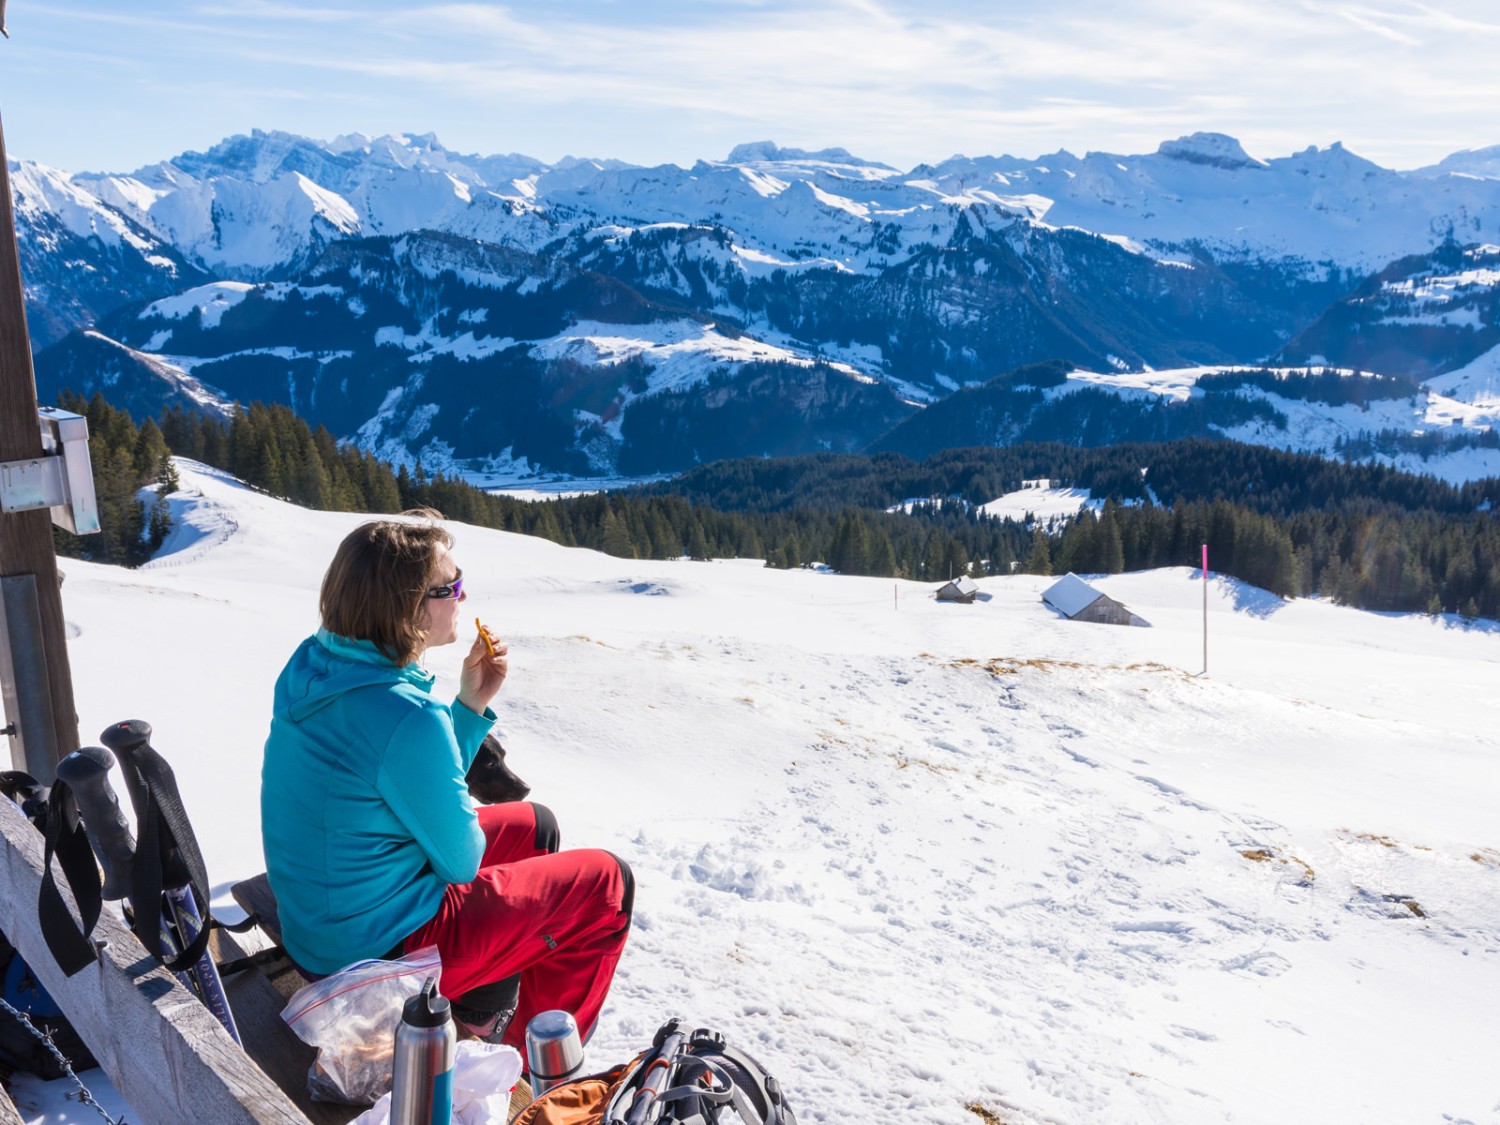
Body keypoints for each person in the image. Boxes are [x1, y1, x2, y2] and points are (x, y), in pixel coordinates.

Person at [261, 514, 633, 1047]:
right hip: (374, 960)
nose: (462, 595)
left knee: (536, 828)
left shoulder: (315, 667)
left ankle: (484, 1014)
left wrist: (471, 704)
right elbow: (460, 861)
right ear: (410, 606)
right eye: (451, 586)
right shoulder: (403, 713)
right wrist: (448, 722)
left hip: (322, 923)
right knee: (607, 884)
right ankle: (537, 1065)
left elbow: (405, 783)